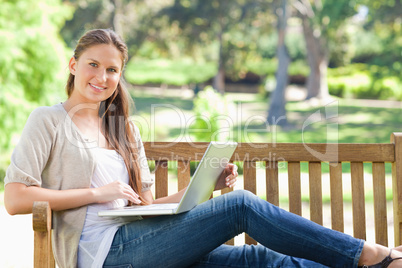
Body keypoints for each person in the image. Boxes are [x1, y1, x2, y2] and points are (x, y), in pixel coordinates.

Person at [3, 28, 402, 268]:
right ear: (73, 65)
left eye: (112, 69)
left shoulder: (123, 130)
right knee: (241, 205)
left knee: (257, 260)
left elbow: (147, 209)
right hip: (104, 257)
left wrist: (203, 185)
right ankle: (370, 255)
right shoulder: (49, 120)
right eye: (93, 64)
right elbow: (15, 198)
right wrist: (96, 193)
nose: (102, 76)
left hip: (146, 246)